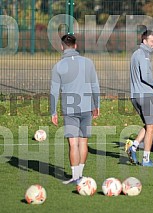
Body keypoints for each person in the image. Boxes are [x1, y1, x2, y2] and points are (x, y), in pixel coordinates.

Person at [50, 34, 100, 184]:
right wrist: (97, 105)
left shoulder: (58, 66)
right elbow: (95, 85)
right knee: (83, 143)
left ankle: (75, 177)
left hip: (70, 109)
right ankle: (80, 176)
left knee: (73, 143)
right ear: (76, 46)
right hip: (87, 107)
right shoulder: (88, 62)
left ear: (62, 47)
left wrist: (53, 111)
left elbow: (54, 91)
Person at [127, 30, 153, 167]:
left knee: (148, 124)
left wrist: (151, 91)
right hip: (145, 97)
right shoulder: (143, 55)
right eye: (152, 41)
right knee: (152, 126)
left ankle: (133, 147)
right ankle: (146, 159)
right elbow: (145, 77)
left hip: (136, 95)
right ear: (144, 41)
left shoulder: (135, 54)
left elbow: (139, 78)